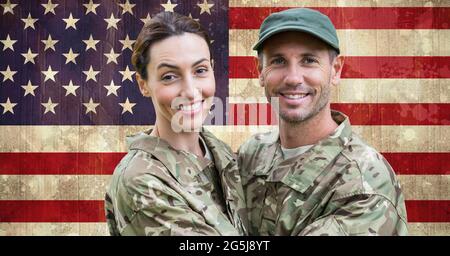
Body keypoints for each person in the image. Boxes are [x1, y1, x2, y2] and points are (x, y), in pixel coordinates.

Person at [238, 8, 408, 235]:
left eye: (309, 60)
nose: (293, 78)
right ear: (260, 71)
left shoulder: (363, 182)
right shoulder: (252, 154)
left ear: (335, 70)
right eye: (278, 61)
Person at [105, 12, 247, 236]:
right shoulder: (140, 181)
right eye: (169, 76)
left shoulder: (221, 153)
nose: (190, 92)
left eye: (200, 71)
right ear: (143, 84)